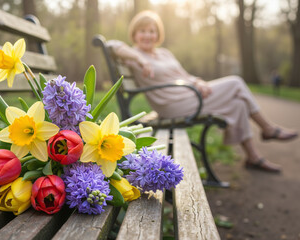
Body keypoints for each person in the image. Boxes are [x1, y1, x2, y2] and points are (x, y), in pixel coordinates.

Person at [108, 10, 297, 173]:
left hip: (188, 96)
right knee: (236, 82)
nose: (147, 35)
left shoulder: (164, 53)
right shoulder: (132, 56)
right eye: (142, 31)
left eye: (152, 31)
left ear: (158, 34)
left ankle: (253, 157)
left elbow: (184, 75)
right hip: (172, 106)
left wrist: (198, 82)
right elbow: (112, 45)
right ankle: (268, 129)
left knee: (238, 103)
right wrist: (140, 60)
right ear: (134, 34)